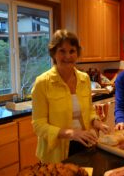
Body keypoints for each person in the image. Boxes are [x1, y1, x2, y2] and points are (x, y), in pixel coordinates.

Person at [32, 29, 109, 163]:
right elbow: (39, 125)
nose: (67, 56)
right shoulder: (42, 82)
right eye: (62, 51)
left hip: (85, 144)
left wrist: (97, 122)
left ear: (77, 53)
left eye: (72, 51)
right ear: (54, 54)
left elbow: (89, 111)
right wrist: (71, 133)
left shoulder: (84, 79)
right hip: (55, 152)